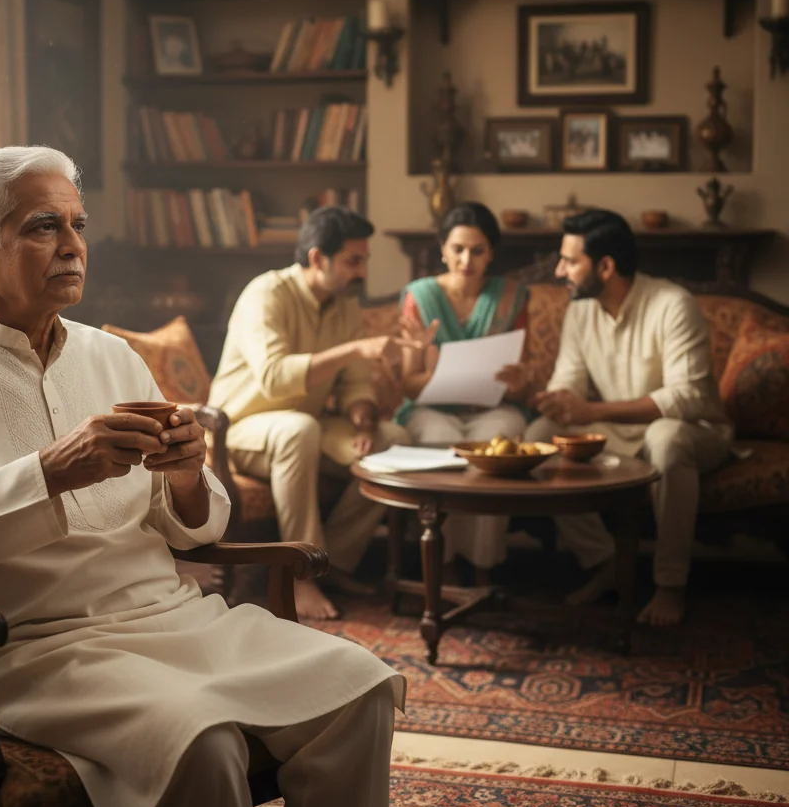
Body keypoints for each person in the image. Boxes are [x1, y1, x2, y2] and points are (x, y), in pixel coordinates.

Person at [0, 147, 405, 807]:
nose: (73, 245)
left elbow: (191, 525)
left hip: (173, 619)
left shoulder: (114, 358)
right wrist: (46, 474)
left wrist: (188, 475)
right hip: (29, 649)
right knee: (203, 743)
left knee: (359, 691)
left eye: (78, 224)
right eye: (45, 227)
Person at [527, 209, 732, 626]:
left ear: (605, 266)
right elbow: (569, 385)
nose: (559, 270)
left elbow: (688, 397)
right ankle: (604, 561)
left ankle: (669, 586)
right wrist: (541, 394)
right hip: (617, 432)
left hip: (695, 431)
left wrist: (591, 411)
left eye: (569, 260)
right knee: (539, 434)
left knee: (666, 439)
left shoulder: (672, 304)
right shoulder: (580, 310)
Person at [209, 206, 413, 620]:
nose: (363, 270)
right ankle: (299, 576)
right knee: (298, 430)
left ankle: (330, 561)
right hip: (240, 429)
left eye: (365, 260)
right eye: (354, 260)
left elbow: (356, 382)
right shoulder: (266, 294)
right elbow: (274, 378)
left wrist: (363, 418)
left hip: (306, 428)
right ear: (319, 258)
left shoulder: (344, 304)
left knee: (395, 443)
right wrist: (356, 349)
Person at [397, 203, 533, 586]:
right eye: (457, 249)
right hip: (431, 408)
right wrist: (434, 371)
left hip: (492, 407)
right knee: (441, 440)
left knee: (499, 445)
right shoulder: (418, 295)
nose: (466, 259)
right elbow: (407, 383)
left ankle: (484, 566)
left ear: (492, 253)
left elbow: (521, 382)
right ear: (442, 249)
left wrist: (521, 381)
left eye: (478, 250)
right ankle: (443, 563)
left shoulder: (512, 296)